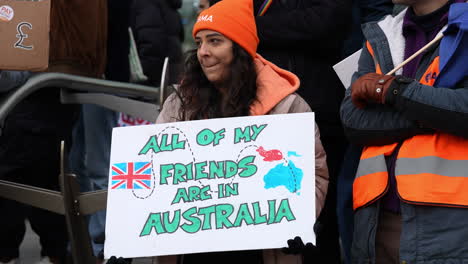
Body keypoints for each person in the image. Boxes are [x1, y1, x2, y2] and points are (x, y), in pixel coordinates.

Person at [108, 0, 329, 263]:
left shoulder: (288, 105)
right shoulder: (179, 104)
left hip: (261, 253)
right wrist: (127, 231)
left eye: (214, 41)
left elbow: (315, 174)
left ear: (240, 48)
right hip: (190, 252)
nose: (203, 52)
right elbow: (151, 172)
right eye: (199, 42)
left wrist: (299, 218)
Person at [340, 0, 468, 263]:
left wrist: (396, 91)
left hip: (450, 222)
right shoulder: (381, 33)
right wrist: (433, 117)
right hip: (376, 222)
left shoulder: (463, 26)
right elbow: (352, 119)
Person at [0, 0, 107, 263]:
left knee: (26, 177)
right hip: (54, 85)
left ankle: (54, 250)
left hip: (41, 89)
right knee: (49, 176)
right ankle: (59, 250)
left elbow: (23, 54)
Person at [251, 0, 351, 262]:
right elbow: (225, 23)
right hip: (260, 115)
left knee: (319, 224)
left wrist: (253, 27)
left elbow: (325, 24)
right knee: (258, 220)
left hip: (320, 111)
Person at [130, 0, 184, 86]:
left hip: (153, 83)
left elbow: (151, 46)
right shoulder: (168, 6)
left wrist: (140, 79)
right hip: (171, 74)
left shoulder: (147, 3)